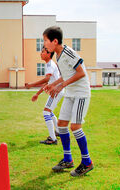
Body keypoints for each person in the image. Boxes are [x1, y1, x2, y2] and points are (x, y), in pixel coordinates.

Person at [42, 26, 94, 176]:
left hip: (81, 93)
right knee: (62, 124)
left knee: (76, 126)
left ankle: (87, 162)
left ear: (55, 41)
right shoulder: (58, 55)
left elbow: (81, 73)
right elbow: (66, 74)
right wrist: (53, 84)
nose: (44, 44)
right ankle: (68, 159)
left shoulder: (68, 53)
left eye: (45, 40)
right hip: (71, 93)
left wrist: (61, 86)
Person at [26, 47, 63, 145]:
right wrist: (37, 94)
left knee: (46, 112)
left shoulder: (50, 65)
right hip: (57, 90)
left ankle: (53, 139)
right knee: (49, 112)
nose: (40, 53)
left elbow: (46, 80)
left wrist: (31, 84)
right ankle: (58, 132)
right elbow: (48, 82)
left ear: (49, 54)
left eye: (43, 52)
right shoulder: (49, 64)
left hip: (56, 91)